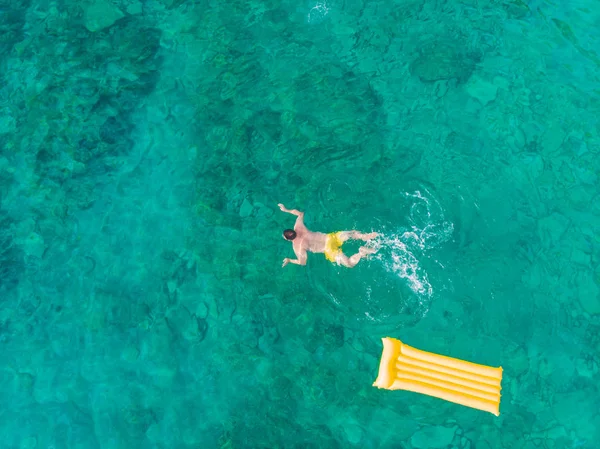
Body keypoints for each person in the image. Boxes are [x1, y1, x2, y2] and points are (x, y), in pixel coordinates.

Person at [278, 203, 378, 268]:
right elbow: (300, 214)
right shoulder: (298, 226)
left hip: (329, 249)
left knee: (349, 264)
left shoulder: (297, 247)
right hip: (331, 237)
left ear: (288, 240)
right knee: (353, 234)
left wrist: (289, 260)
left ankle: (361, 253)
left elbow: (302, 262)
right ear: (293, 230)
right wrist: (286, 210)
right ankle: (368, 236)